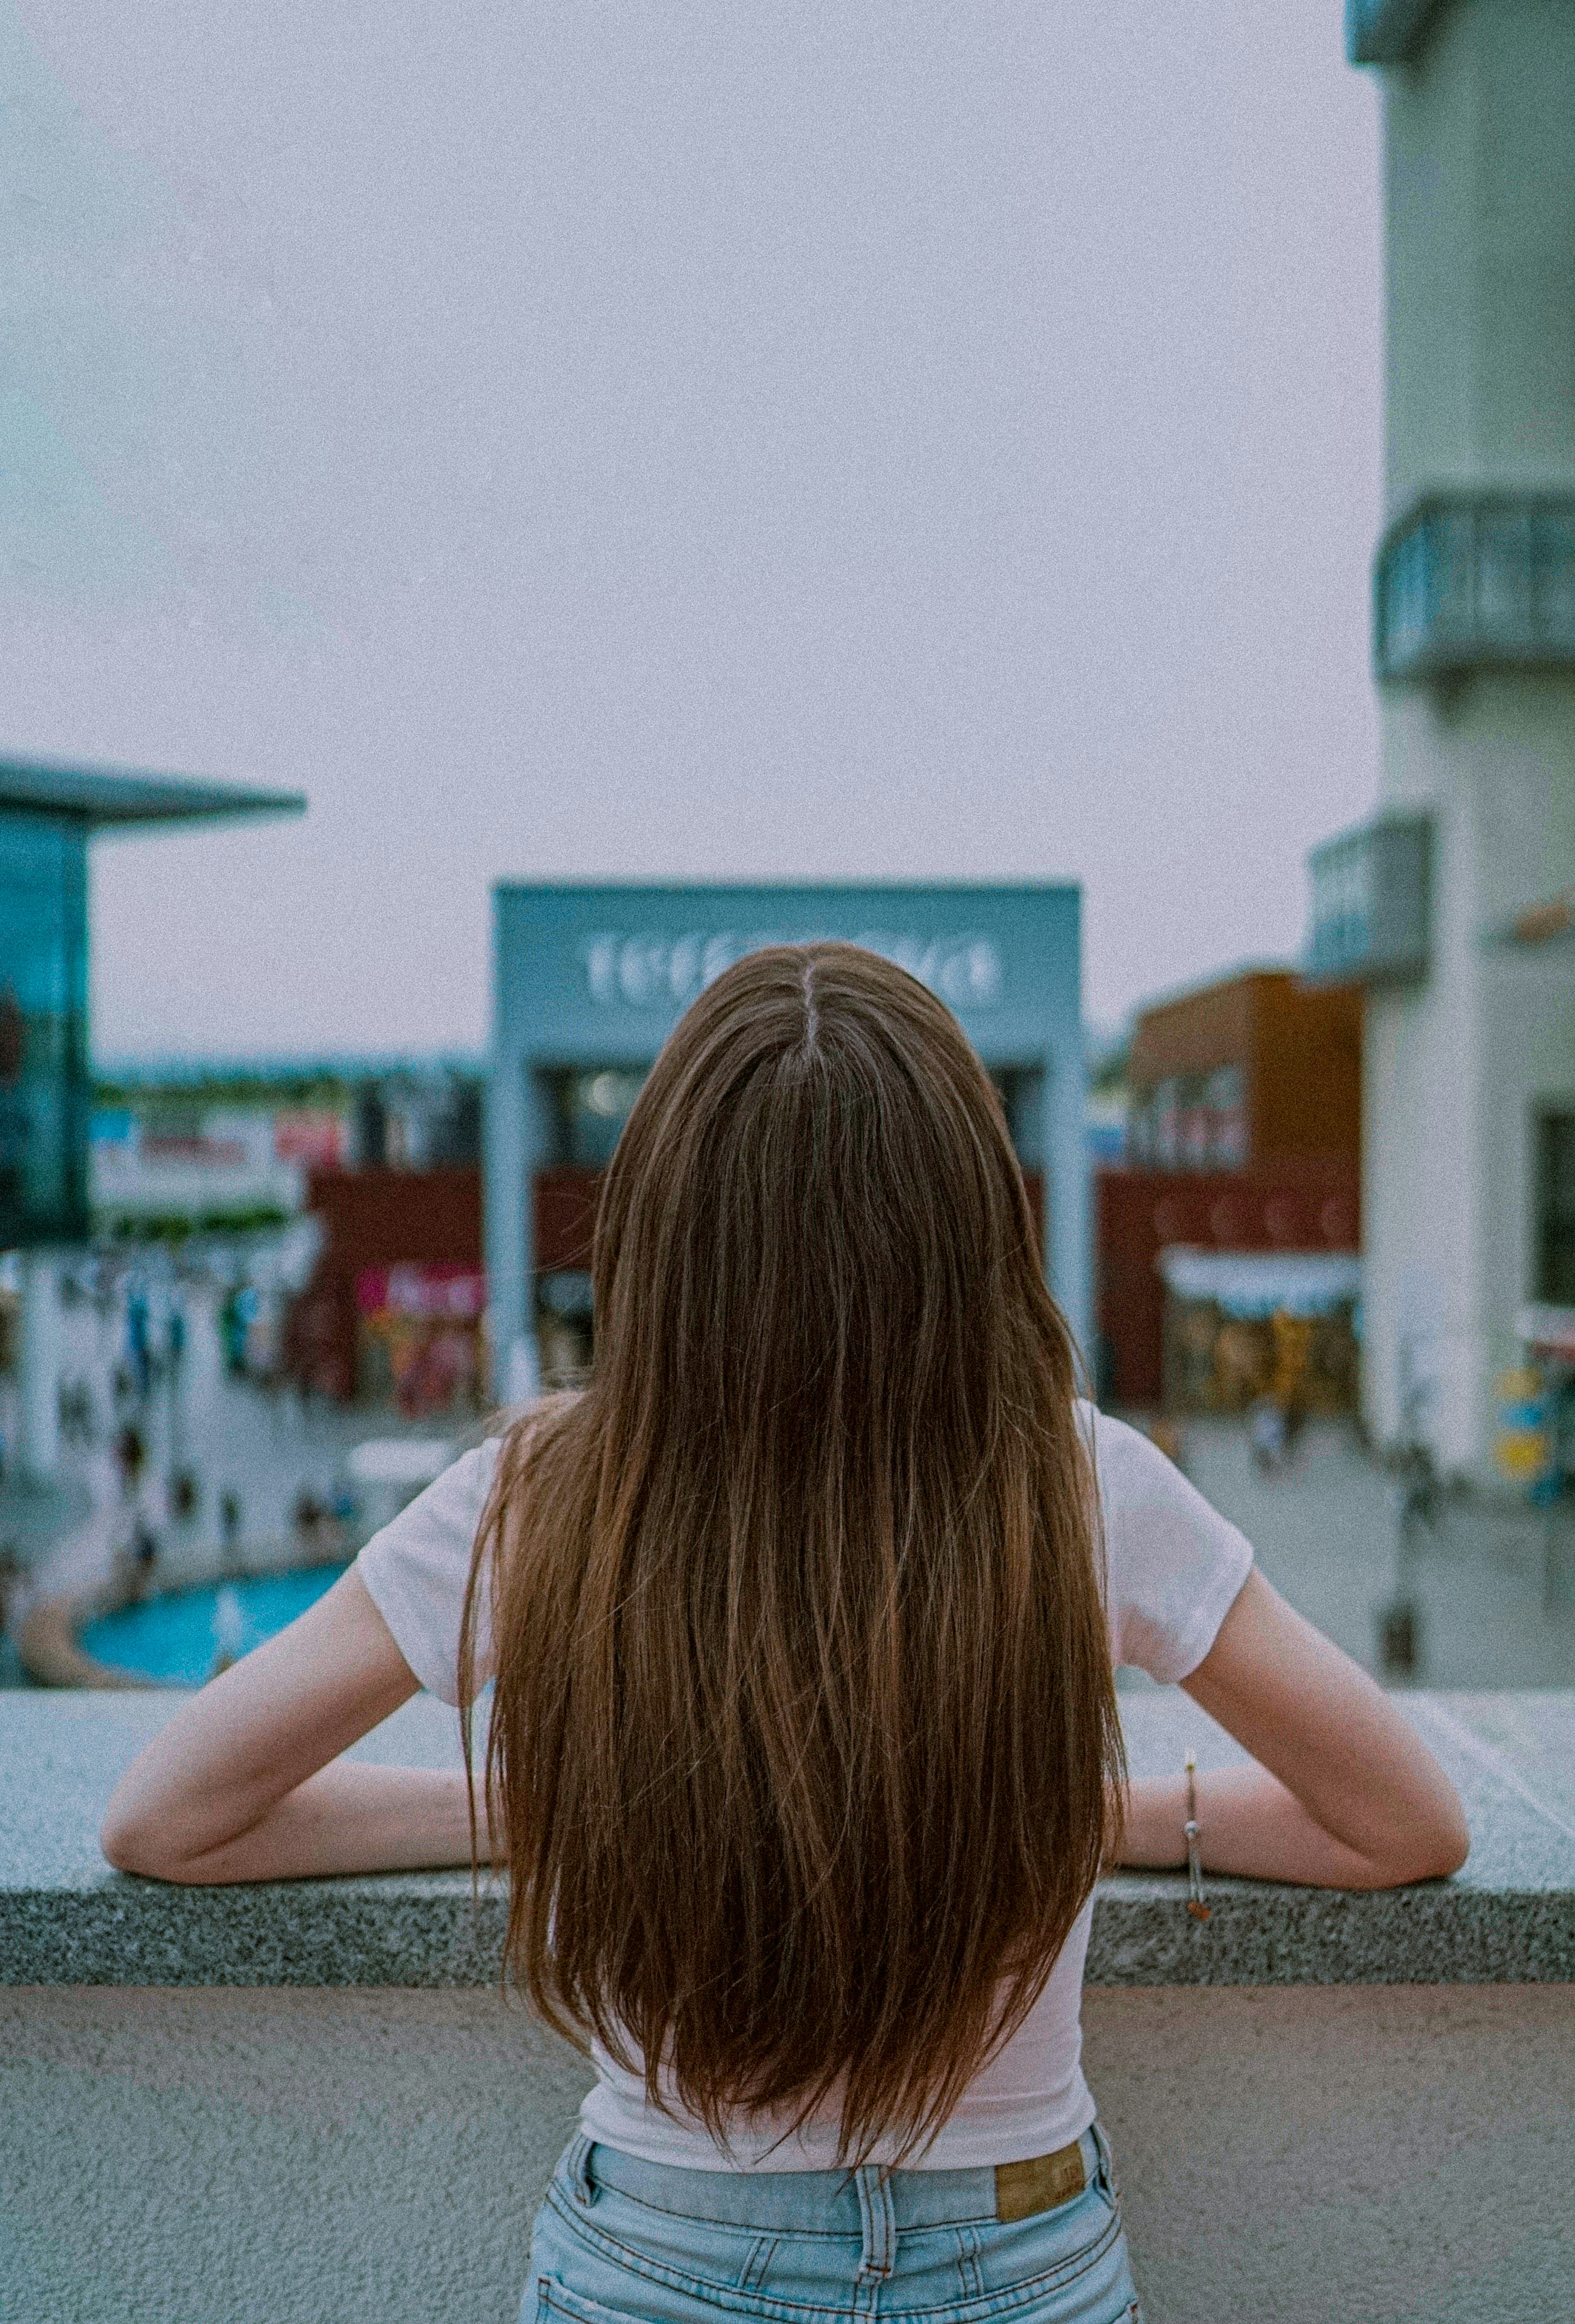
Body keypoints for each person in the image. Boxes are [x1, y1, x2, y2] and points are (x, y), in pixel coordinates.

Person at [101, 946, 1468, 2324]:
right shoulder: (1077, 1481)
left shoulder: (548, 1494)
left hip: (652, 2262)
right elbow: (1402, 1820)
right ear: (974, 1224)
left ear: (666, 1224)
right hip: (1019, 2261)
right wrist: (1050, 1814)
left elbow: (170, 1814)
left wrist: (559, 1810)